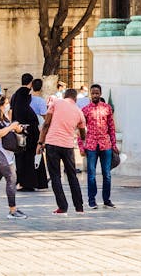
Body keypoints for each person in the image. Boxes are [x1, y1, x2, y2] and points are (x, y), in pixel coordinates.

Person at [39, 86, 86, 214]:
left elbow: (46, 124)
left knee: (55, 176)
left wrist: (40, 142)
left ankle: (62, 206)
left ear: (65, 95)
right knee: (72, 176)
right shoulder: (79, 112)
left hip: (52, 144)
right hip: (68, 146)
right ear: (75, 99)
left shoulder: (56, 103)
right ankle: (79, 207)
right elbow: (83, 133)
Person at [80, 83, 117, 208]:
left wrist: (114, 144)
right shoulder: (85, 110)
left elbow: (111, 127)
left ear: (100, 94)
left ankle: (107, 200)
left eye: (97, 93)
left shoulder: (107, 108)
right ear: (90, 94)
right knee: (91, 174)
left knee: (107, 174)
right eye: (93, 93)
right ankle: (92, 200)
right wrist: (81, 146)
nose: (95, 95)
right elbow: (80, 129)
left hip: (105, 144)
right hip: (91, 145)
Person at [9, 74, 46, 191]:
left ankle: (28, 181)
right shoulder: (24, 94)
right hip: (27, 131)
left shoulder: (16, 95)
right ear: (31, 82)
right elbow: (25, 111)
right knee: (30, 156)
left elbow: (13, 111)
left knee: (23, 156)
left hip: (21, 129)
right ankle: (29, 182)